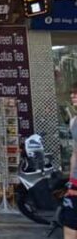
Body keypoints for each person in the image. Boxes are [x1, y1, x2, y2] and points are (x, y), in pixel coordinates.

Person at [64, 84, 77, 239]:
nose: (73, 96)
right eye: (72, 93)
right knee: (70, 226)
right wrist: (70, 180)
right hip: (75, 183)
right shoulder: (73, 122)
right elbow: (75, 152)